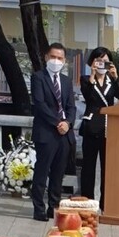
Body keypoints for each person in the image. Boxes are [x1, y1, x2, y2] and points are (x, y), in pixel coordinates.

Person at [30, 42, 76, 221]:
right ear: (46, 57)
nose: (56, 61)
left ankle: (53, 206)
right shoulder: (38, 78)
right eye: (53, 57)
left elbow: (71, 107)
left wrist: (68, 123)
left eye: (60, 58)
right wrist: (58, 122)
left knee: (58, 173)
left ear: (64, 60)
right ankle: (38, 209)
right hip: (47, 132)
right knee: (42, 171)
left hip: (64, 134)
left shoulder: (65, 81)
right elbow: (39, 105)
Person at [79, 46, 119, 210]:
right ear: (92, 62)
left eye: (105, 61)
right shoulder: (86, 79)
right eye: (99, 61)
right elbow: (88, 95)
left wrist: (116, 77)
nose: (102, 64)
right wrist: (92, 75)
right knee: (88, 167)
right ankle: (87, 201)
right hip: (91, 126)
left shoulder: (111, 80)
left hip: (108, 128)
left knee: (108, 167)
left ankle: (106, 203)